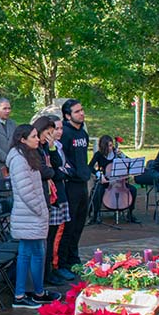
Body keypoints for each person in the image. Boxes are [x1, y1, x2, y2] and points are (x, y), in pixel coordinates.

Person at [7, 124, 54, 308]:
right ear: (22, 139)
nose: (38, 139)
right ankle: (24, 295)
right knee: (33, 254)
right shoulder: (19, 159)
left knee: (32, 254)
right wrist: (41, 211)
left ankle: (36, 292)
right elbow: (26, 192)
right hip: (29, 215)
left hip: (32, 215)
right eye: (34, 136)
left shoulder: (27, 155)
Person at [32, 115, 70, 286]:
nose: (51, 136)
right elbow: (47, 171)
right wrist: (57, 173)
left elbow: (57, 163)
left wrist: (52, 147)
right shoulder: (35, 149)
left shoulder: (47, 147)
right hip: (45, 196)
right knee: (47, 238)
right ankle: (46, 272)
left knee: (54, 235)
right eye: (48, 133)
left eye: (52, 132)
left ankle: (51, 269)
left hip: (55, 193)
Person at [57, 99, 91, 273]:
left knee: (79, 223)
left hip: (83, 183)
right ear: (67, 115)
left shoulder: (83, 133)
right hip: (70, 184)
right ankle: (62, 262)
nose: (81, 113)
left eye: (82, 110)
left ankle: (74, 258)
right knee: (68, 225)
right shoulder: (65, 133)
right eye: (77, 111)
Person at [89, 135, 137, 224]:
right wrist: (99, 175)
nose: (111, 148)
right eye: (108, 146)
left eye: (111, 145)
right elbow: (90, 167)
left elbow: (129, 163)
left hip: (119, 182)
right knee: (97, 192)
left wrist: (122, 155)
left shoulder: (116, 153)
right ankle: (95, 215)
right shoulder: (98, 155)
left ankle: (130, 214)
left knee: (133, 190)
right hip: (106, 181)